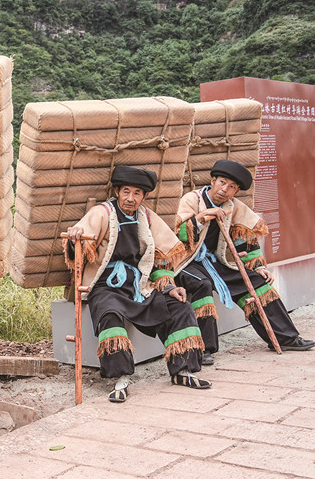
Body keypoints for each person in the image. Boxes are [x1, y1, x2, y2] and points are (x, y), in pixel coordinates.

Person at [65, 166, 210, 403]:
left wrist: (169, 287)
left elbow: (162, 257)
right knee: (109, 315)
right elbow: (80, 246)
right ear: (117, 191)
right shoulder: (101, 213)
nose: (130, 198)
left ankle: (182, 370)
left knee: (180, 306)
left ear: (145, 196)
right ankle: (120, 378)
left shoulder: (148, 218)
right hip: (105, 286)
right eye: (126, 192)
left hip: (139, 285)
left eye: (137, 193)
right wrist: (75, 238)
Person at [173, 160, 314, 362]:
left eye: (232, 187)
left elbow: (245, 239)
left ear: (236, 191)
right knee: (202, 285)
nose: (225, 190)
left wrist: (258, 267)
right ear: (213, 180)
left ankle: (285, 338)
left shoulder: (234, 207)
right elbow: (178, 234)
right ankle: (203, 349)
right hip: (186, 262)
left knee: (258, 283)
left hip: (214, 262)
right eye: (222, 182)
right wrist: (203, 215)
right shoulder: (192, 200)